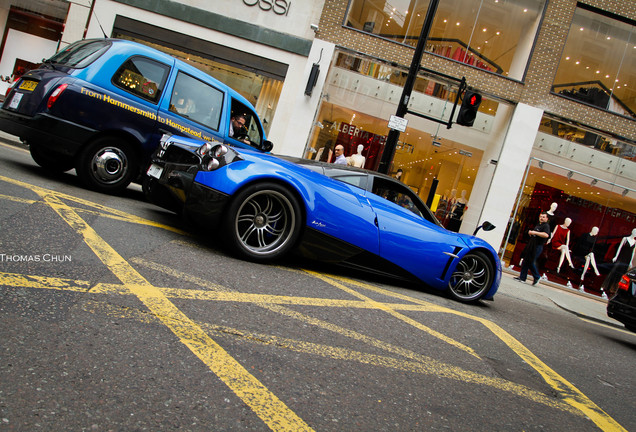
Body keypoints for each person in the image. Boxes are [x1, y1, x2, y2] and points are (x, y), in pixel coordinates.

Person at [515, 211, 551, 285]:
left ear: (547, 218)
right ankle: (522, 277)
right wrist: (531, 233)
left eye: (543, 217)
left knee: (531, 261)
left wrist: (535, 233)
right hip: (532, 245)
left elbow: (546, 235)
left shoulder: (546, 226)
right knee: (525, 260)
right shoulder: (538, 225)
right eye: (541, 216)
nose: (541, 218)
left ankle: (537, 276)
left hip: (538, 246)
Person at [602, 228, 636, 297]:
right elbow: (619, 248)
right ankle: (605, 287)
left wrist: (631, 262)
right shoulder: (625, 239)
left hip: (627, 260)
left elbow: (633, 253)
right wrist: (616, 256)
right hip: (621, 258)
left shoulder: (635, 242)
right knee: (614, 271)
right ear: (632, 232)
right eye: (635, 232)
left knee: (621, 275)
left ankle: (614, 290)